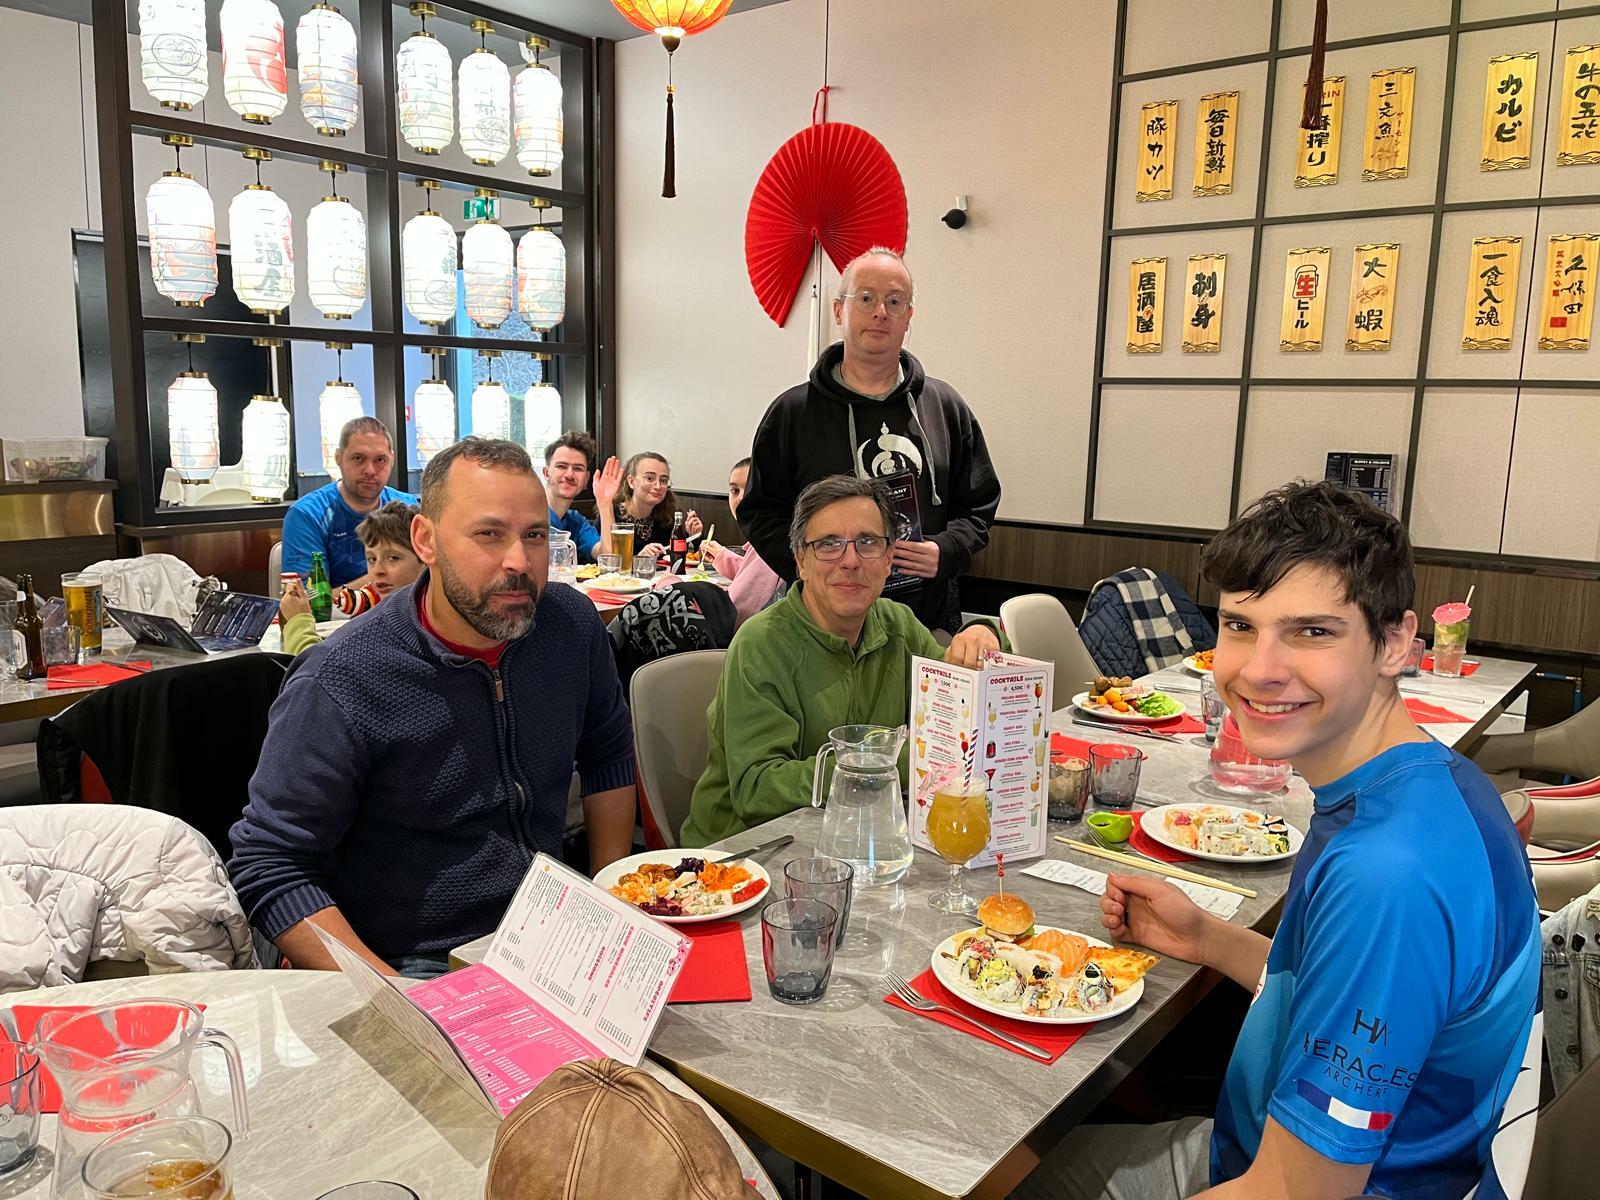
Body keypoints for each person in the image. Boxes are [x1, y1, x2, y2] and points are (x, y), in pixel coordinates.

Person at [1017, 481, 1540, 1200]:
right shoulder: (1431, 782)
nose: (1259, 670)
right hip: (1268, 1141)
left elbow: (1296, 1193)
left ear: (1394, 643)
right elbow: (1351, 992)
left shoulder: (1388, 874)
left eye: (1312, 632)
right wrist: (1208, 939)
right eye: (1240, 625)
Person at [230, 437, 637, 979]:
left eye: (534, 535)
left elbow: (608, 753)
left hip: (549, 932)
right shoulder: (344, 676)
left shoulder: (570, 625)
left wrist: (609, 906)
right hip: (409, 960)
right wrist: (394, 995)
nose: (519, 561)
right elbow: (269, 864)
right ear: (425, 540)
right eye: (489, 534)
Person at [680, 475, 1003, 847]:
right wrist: (890, 764)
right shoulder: (761, 644)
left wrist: (981, 634)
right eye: (829, 544)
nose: (850, 561)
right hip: (743, 852)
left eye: (868, 542)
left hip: (857, 837)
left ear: (888, 559)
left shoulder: (897, 625)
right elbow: (758, 790)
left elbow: (962, 702)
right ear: (801, 561)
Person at [736, 247, 1001, 632]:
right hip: (822, 620)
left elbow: (979, 506)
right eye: (865, 298)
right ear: (838, 311)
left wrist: (946, 550)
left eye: (894, 301)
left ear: (908, 317)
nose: (880, 311)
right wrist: (814, 564)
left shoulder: (945, 407)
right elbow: (760, 512)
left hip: (925, 616)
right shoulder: (792, 413)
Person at [281, 416, 418, 588]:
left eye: (380, 460)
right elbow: (309, 599)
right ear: (338, 457)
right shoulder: (308, 515)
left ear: (392, 460)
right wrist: (383, 578)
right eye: (358, 458)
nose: (370, 470)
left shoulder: (407, 508)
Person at [278, 500, 423, 655]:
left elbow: (316, 668)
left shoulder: (410, 627)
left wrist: (299, 623)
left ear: (425, 557)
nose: (378, 570)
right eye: (372, 559)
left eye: (393, 558)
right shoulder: (381, 618)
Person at [702, 457, 781, 626]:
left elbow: (734, 613)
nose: (740, 498)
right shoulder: (762, 540)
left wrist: (670, 585)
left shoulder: (771, 542)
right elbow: (757, 578)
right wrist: (722, 557)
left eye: (751, 488)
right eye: (734, 490)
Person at [544, 431, 623, 563]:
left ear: (586, 479)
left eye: (578, 468)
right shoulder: (527, 515)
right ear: (546, 473)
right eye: (561, 466)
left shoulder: (577, 522)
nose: (569, 475)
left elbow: (609, 559)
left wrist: (605, 503)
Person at [615, 451, 701, 560]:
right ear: (631, 481)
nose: (658, 486)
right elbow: (602, 561)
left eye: (663, 480)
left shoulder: (669, 515)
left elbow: (688, 558)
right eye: (649, 478)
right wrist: (639, 560)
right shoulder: (611, 514)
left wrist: (694, 535)